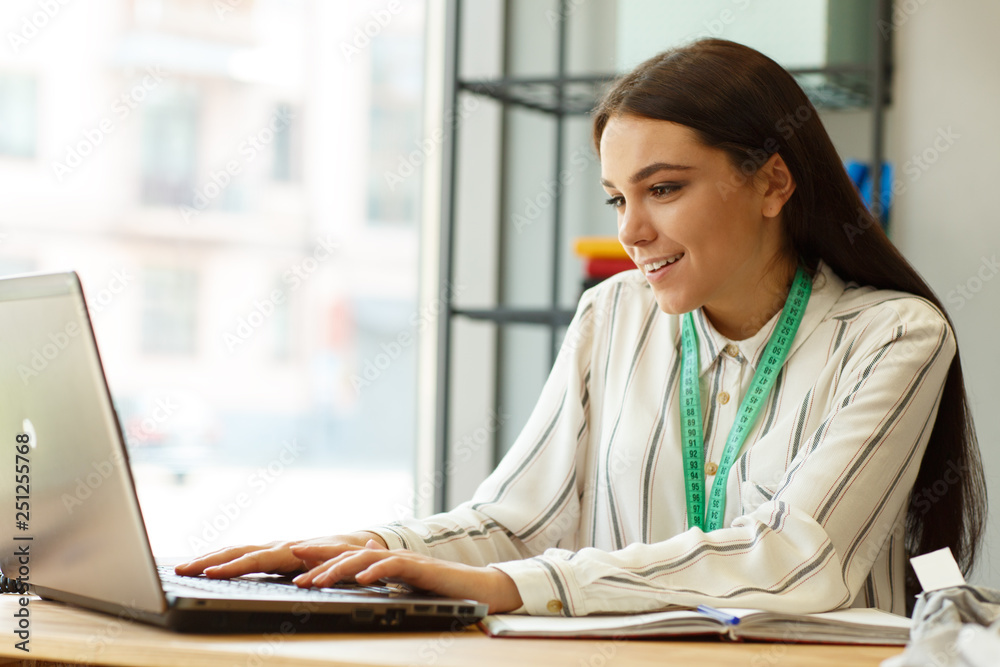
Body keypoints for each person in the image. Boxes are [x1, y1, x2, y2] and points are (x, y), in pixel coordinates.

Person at [177, 39, 986, 617]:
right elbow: (521, 518)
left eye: (663, 188)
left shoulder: (896, 337)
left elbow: (795, 558)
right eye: (616, 198)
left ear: (773, 181)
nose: (631, 230)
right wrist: (359, 550)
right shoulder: (613, 312)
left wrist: (517, 584)